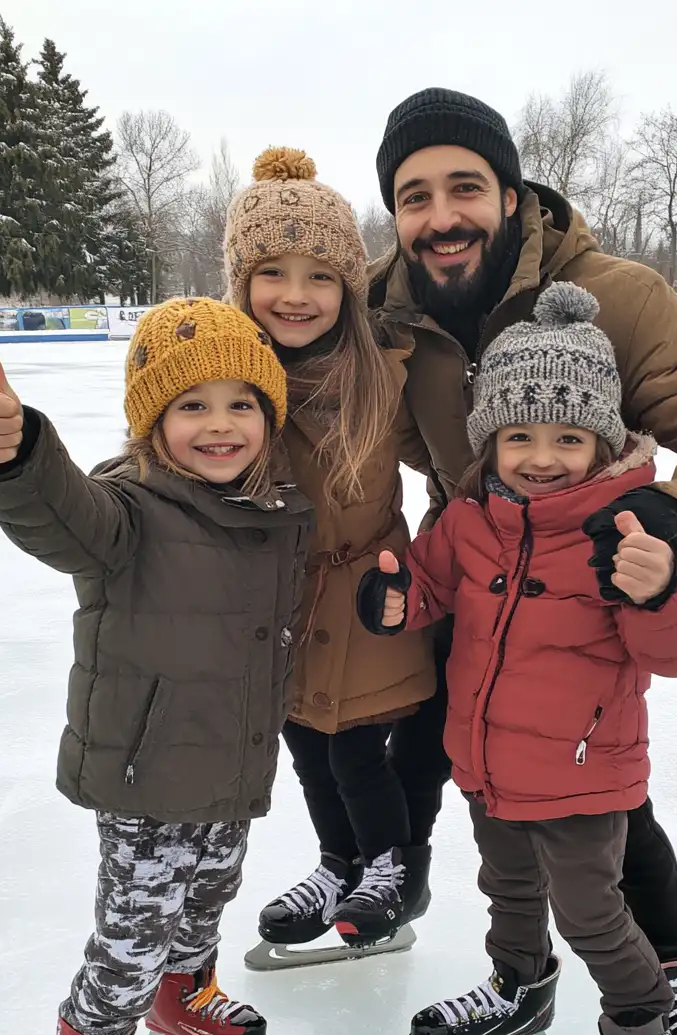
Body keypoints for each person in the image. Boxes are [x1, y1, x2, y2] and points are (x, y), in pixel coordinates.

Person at [370, 90, 677, 1035]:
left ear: (512, 195)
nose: (441, 216)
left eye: (464, 187)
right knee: (494, 805)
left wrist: (662, 527)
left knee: (596, 803)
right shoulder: (382, 309)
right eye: (413, 196)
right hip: (472, 566)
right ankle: (500, 967)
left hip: (597, 568)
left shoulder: (619, 296)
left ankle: (667, 978)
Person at [359, 283, 677, 1035]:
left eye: (567, 438)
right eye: (520, 436)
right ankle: (518, 986)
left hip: (586, 774)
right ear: (491, 440)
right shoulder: (471, 518)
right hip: (485, 763)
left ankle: (643, 1033)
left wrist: (659, 587)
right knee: (507, 890)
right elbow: (432, 591)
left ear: (602, 440)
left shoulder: (623, 531)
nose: (542, 457)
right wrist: (399, 600)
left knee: (594, 913)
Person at [0, 304, 306, 1035]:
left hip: (231, 763)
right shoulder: (124, 509)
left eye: (242, 404)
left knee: (211, 892)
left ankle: (185, 995)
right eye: (193, 406)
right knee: (132, 931)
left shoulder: (272, 509)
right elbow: (56, 514)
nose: (221, 425)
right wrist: (13, 457)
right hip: (148, 773)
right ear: (152, 420)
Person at [224, 151, 436, 953]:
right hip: (281, 605)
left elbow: (461, 459)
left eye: (320, 274)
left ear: (348, 285)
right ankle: (337, 862)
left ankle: (389, 864)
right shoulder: (231, 383)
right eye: (272, 271)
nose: (296, 294)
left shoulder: (383, 374)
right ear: (241, 284)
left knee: (354, 749)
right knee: (306, 746)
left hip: (368, 597)